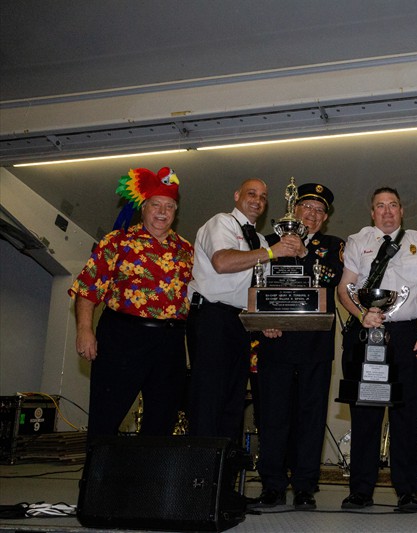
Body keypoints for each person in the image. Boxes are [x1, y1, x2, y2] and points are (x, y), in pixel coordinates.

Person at [70, 167, 192, 438]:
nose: (162, 212)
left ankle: (148, 480)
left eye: (169, 206)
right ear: (143, 207)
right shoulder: (117, 241)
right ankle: (96, 480)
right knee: (106, 415)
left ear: (176, 211)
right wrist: (84, 330)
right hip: (122, 336)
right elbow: (87, 288)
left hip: (170, 342)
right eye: (156, 205)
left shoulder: (186, 249)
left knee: (162, 421)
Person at [337, 187, 417, 512]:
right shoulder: (358, 241)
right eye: (381, 206)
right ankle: (361, 491)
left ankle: (408, 492)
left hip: (410, 334)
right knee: (366, 415)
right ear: (372, 212)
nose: (388, 211)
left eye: (393, 205)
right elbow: (344, 287)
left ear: (402, 210)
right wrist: (361, 313)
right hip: (369, 334)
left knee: (406, 416)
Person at [186, 179, 303, 441]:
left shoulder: (259, 239)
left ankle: (222, 475)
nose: (257, 201)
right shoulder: (222, 222)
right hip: (212, 317)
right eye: (252, 194)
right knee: (209, 398)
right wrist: (272, 252)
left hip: (241, 322)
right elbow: (222, 261)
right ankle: (200, 473)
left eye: (263, 197)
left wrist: (268, 317)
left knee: (233, 400)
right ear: (237, 195)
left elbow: (261, 289)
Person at [255, 183, 344, 510]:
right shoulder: (268, 243)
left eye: (320, 211)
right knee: (273, 417)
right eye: (307, 207)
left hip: (315, 345)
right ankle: (272, 485)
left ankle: (306, 486)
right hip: (274, 341)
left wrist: (306, 253)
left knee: (311, 417)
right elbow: (256, 283)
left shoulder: (333, 246)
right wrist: (265, 318)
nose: (313, 215)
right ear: (294, 211)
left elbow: (333, 277)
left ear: (325, 219)